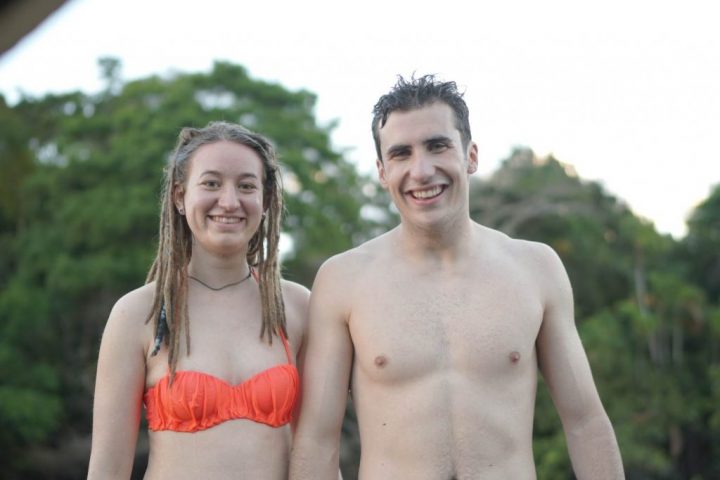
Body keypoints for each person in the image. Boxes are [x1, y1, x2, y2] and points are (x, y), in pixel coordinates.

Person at [290, 75, 624, 479]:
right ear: (382, 171)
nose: (422, 170)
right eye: (401, 154)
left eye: (437, 146)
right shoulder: (343, 280)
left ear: (471, 155)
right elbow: (317, 441)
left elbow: (585, 421)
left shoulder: (536, 268)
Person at [87, 121, 309, 479]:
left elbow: (319, 453)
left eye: (247, 186)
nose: (229, 201)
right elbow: (108, 469)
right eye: (211, 183)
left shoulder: (296, 308)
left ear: (265, 200)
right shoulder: (137, 313)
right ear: (179, 196)